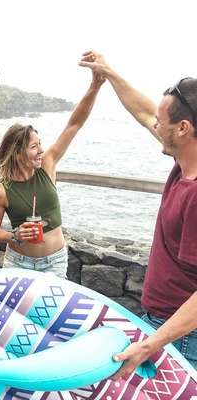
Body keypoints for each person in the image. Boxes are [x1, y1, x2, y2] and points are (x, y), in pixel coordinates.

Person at [79, 51, 197, 377]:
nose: (154, 124)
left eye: (163, 122)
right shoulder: (184, 161)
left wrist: (149, 345)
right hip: (162, 324)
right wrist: (109, 73)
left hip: (182, 336)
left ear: (183, 128)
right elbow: (144, 111)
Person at [0, 70, 105, 278]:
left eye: (40, 144)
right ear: (17, 153)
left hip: (55, 263)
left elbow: (74, 124)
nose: (41, 150)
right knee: (18, 311)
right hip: (18, 262)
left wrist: (94, 88)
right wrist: (15, 234)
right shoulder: (1, 191)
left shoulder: (47, 165)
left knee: (52, 312)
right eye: (34, 146)